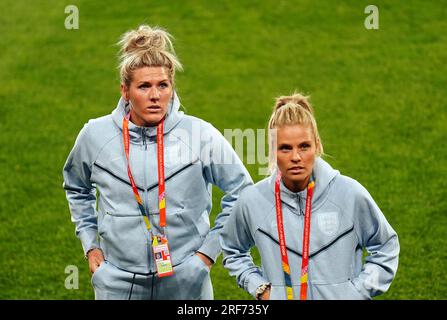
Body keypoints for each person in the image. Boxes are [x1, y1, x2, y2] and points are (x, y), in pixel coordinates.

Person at [62, 25, 253, 300]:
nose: (155, 96)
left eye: (163, 85)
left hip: (186, 281)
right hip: (117, 282)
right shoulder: (95, 136)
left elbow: (242, 192)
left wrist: (205, 256)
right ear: (125, 91)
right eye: (144, 86)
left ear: (172, 88)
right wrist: (90, 245)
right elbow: (76, 187)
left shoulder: (200, 135)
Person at [220, 93, 400, 300]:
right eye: (285, 148)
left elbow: (386, 246)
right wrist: (261, 289)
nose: (295, 157)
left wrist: (355, 293)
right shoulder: (252, 201)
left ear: (317, 145)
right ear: (272, 150)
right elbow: (232, 250)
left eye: (304, 146)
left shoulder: (350, 194)